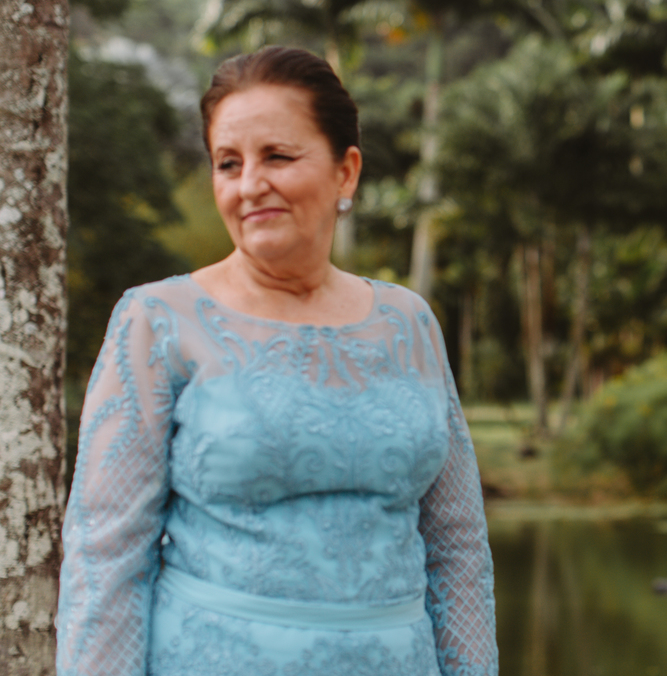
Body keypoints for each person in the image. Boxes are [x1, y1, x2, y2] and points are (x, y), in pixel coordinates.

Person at [56, 46, 497, 676]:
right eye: (228, 163)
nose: (249, 184)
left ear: (346, 172)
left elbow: (457, 548)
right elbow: (106, 563)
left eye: (278, 157)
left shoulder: (409, 323)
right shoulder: (158, 320)